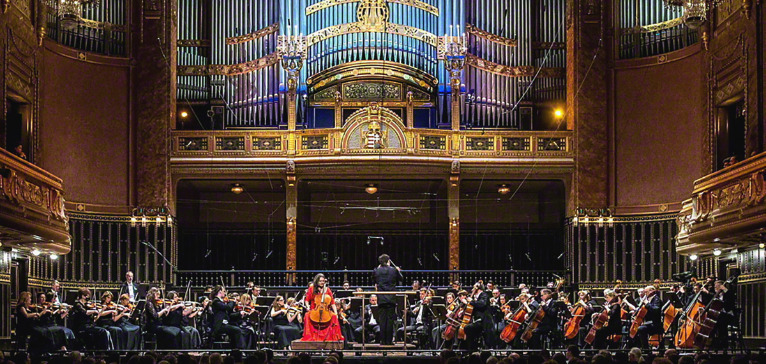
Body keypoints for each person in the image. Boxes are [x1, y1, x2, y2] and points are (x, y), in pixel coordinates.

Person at [301, 273, 344, 341]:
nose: (322, 282)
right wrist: (308, 307)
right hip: (314, 310)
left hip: (325, 310)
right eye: (320, 281)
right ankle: (309, 336)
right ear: (317, 281)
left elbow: (332, 302)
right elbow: (307, 300)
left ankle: (333, 337)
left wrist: (335, 313)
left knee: (334, 317)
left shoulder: (327, 290)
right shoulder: (311, 288)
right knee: (307, 315)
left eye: (323, 281)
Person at [373, 254, 402, 345]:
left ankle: (383, 341)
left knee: (382, 320)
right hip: (391, 297)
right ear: (388, 261)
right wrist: (398, 271)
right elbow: (401, 279)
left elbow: (373, 280)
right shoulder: (393, 270)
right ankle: (389, 341)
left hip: (381, 298)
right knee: (390, 320)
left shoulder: (376, 271)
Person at [460, 282, 494, 351]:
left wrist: (471, 301)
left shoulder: (484, 294)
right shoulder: (477, 297)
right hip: (477, 320)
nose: (472, 290)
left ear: (477, 288)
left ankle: (472, 349)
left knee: (468, 328)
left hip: (484, 321)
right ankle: (469, 348)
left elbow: (482, 304)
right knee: (466, 328)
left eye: (473, 288)